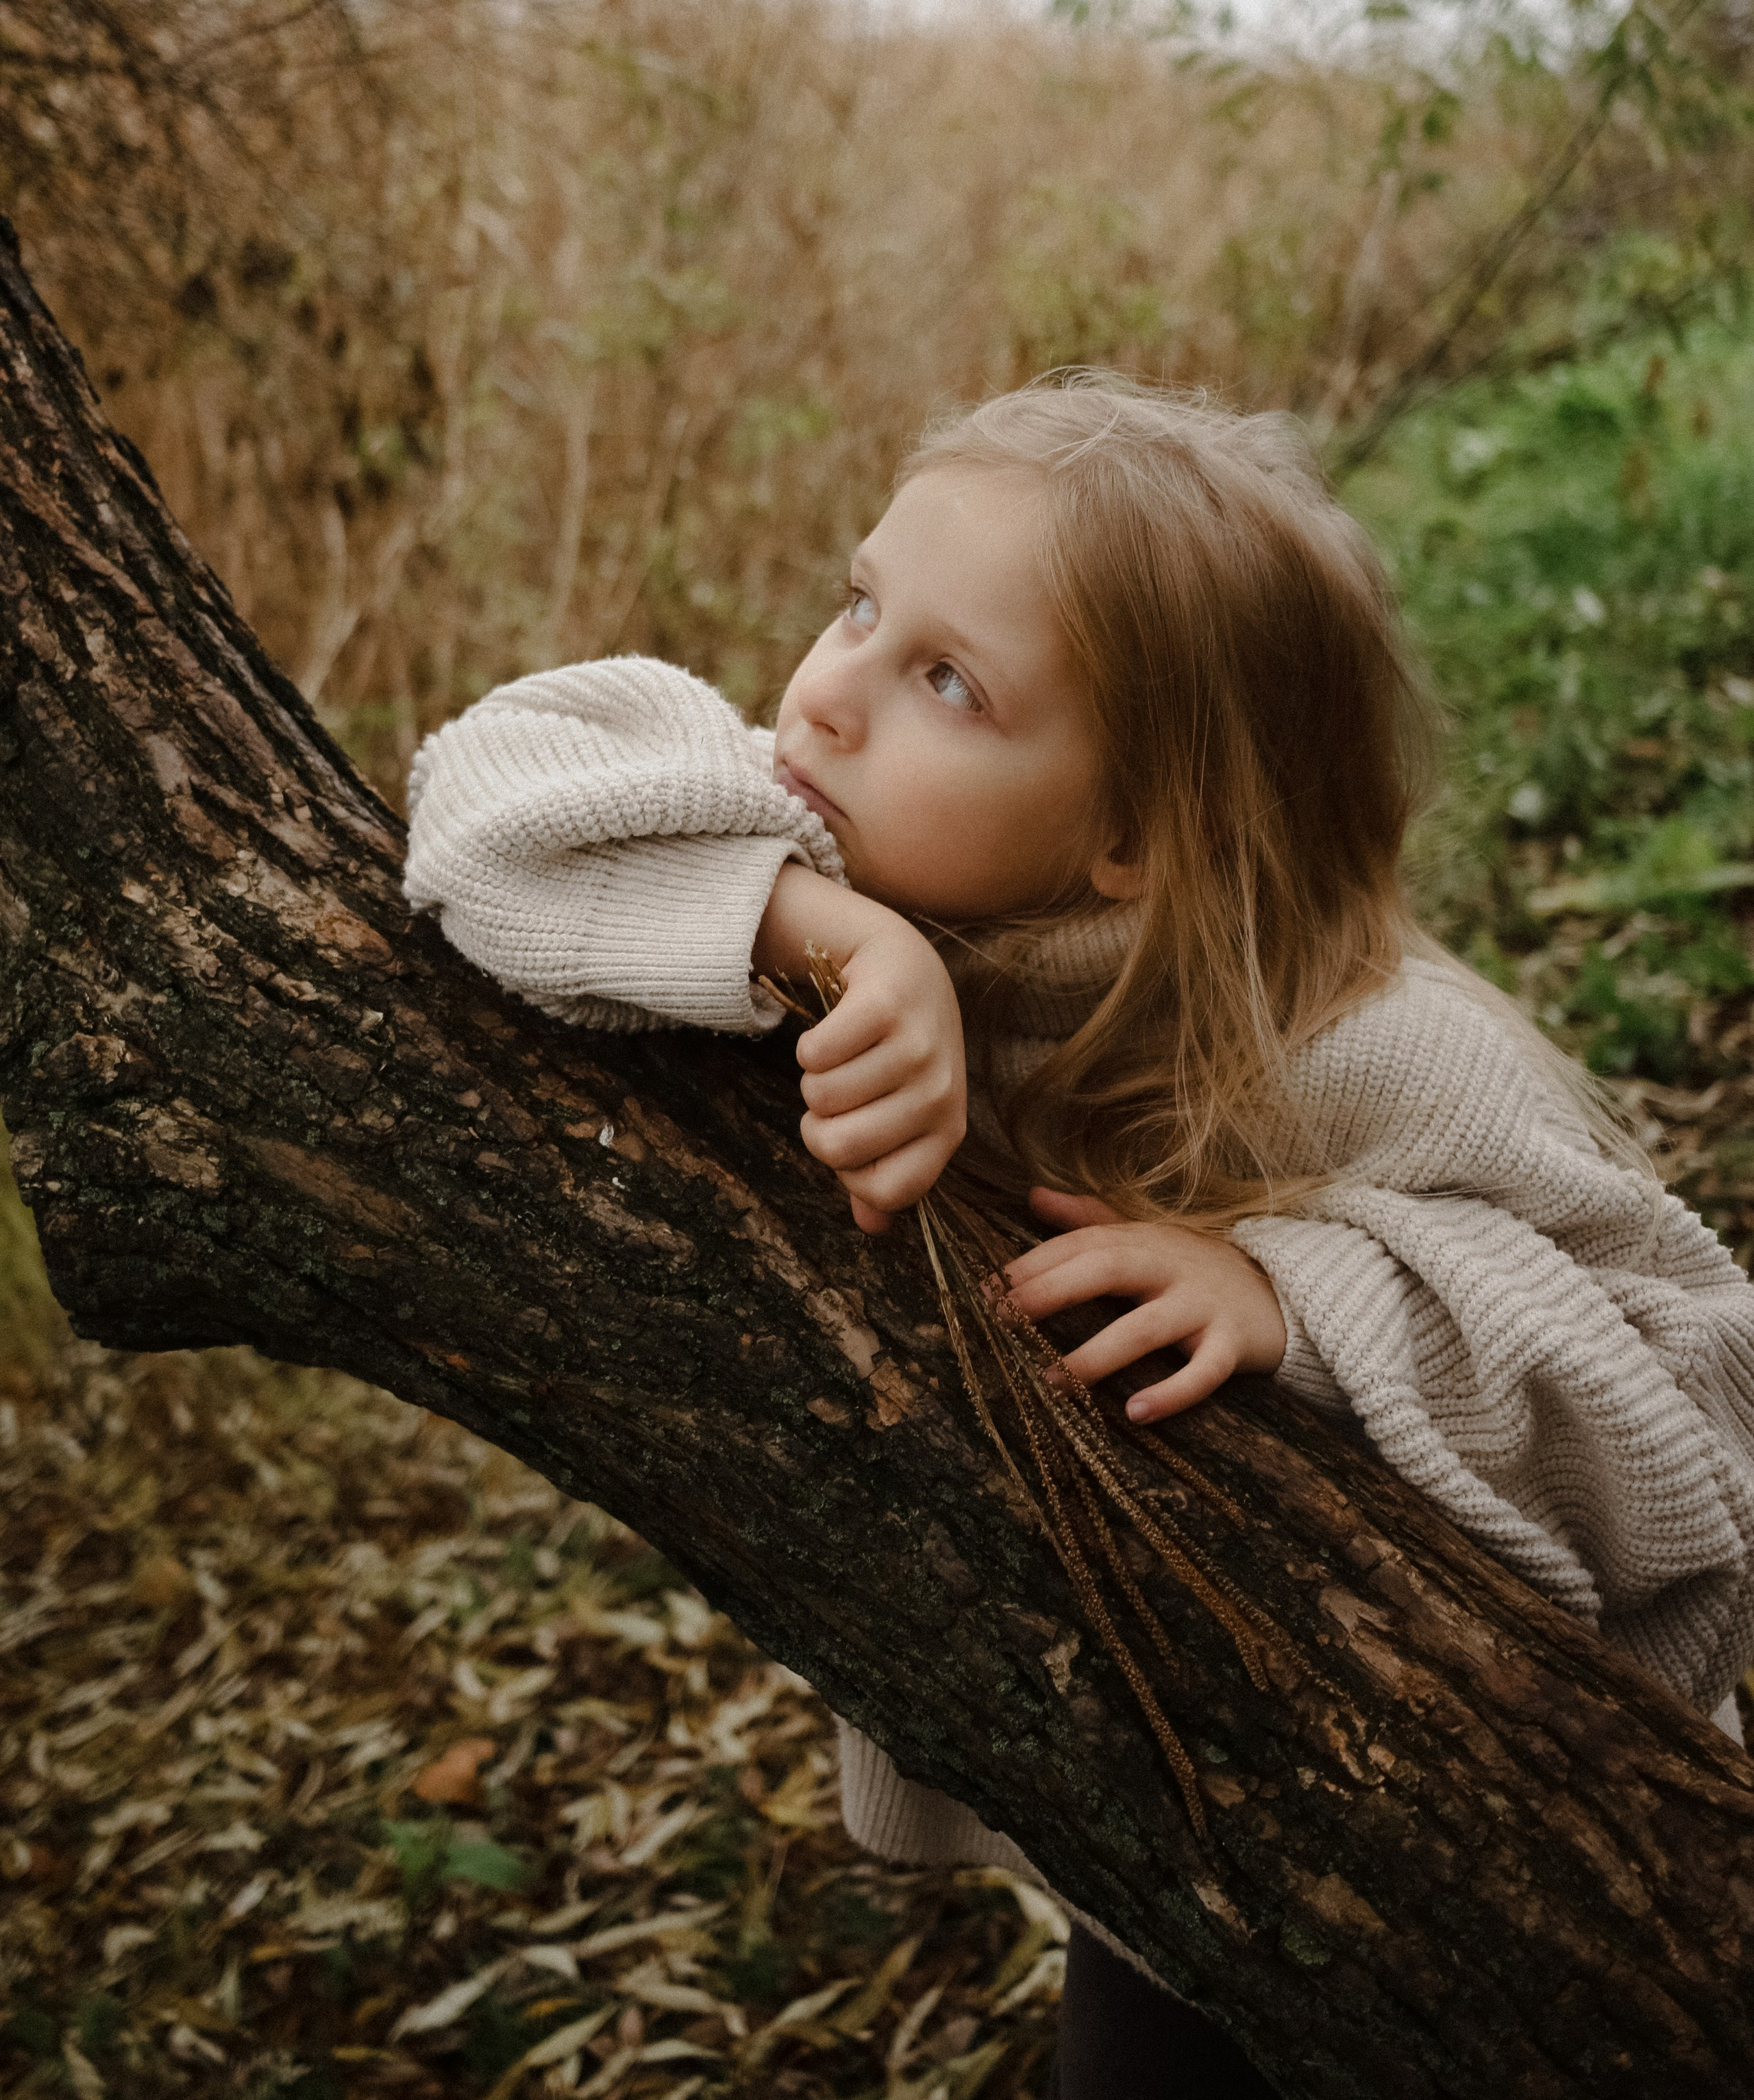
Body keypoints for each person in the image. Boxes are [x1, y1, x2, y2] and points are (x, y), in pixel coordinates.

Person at [404, 373, 1754, 2098]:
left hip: (1533, 1867)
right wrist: (818, 932)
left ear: (1133, 836)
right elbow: (482, 784)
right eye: (859, 603)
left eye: (946, 681)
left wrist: (1303, 1294)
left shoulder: (1364, 1051)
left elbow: (1700, 1400)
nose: (824, 699)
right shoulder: (845, 857)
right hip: (1187, 1845)